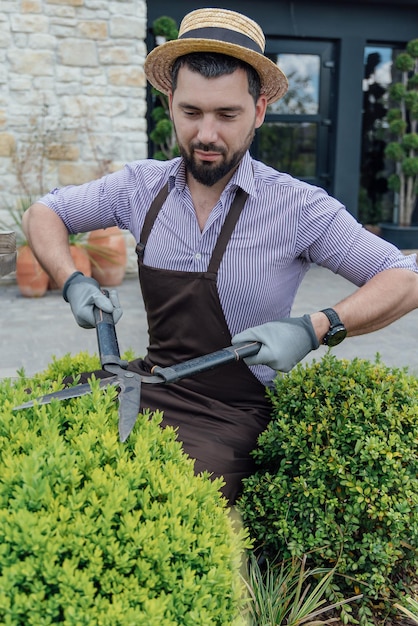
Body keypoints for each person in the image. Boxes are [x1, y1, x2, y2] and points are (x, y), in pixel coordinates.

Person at [22, 8, 418, 503]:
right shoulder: (140, 187)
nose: (206, 134)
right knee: (37, 445)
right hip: (150, 383)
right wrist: (72, 279)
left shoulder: (299, 207)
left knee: (169, 502)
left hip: (233, 413)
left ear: (259, 110)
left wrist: (316, 327)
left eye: (226, 115)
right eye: (192, 113)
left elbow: (405, 276)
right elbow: (45, 212)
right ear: (170, 104)